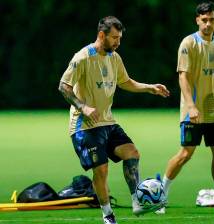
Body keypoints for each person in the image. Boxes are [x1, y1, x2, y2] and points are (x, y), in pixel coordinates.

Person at [58, 16, 170, 224]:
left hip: (108, 122)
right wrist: (83, 107)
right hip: (84, 126)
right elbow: (63, 86)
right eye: (114, 38)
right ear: (102, 35)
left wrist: (150, 88)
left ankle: (137, 201)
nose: (118, 42)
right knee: (101, 170)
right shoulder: (82, 57)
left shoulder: (114, 57)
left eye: (120, 38)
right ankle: (108, 215)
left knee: (132, 153)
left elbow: (125, 82)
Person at [157, 1, 214, 214]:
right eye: (204, 20)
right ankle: (160, 198)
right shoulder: (188, 43)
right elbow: (183, 77)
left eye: (211, 20)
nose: (207, 24)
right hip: (193, 111)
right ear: (197, 20)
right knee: (185, 154)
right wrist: (191, 106)